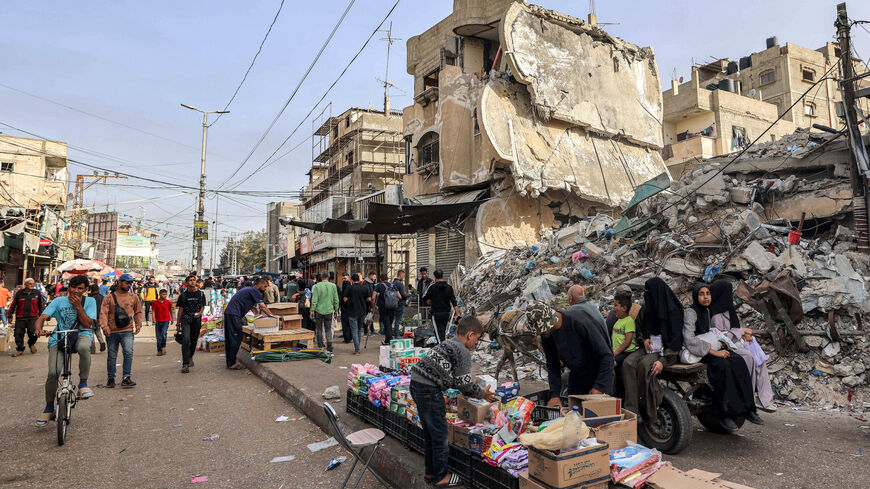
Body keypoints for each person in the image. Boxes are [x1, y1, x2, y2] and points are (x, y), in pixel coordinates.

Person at [410, 317, 497, 488]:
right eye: (477, 338)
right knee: (441, 434)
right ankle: (440, 477)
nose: (476, 342)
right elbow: (464, 385)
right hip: (428, 390)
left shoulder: (449, 343)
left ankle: (430, 472)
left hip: (416, 384)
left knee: (430, 433)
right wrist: (482, 394)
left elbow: (453, 379)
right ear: (470, 335)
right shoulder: (462, 351)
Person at [684, 283, 763, 431]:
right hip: (700, 352)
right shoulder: (691, 312)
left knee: (739, 361)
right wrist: (714, 352)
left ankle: (748, 409)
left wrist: (722, 344)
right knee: (723, 367)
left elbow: (713, 332)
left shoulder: (707, 311)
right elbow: (689, 339)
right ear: (696, 296)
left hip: (713, 347)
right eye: (701, 294)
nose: (706, 297)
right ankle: (725, 414)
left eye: (708, 293)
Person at [33, 275, 97, 426]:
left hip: (81, 334)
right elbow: (42, 317)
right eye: (73, 288)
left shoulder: (90, 301)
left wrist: (79, 307)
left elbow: (88, 323)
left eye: (80, 288)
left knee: (83, 347)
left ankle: (83, 384)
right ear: (68, 288)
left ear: (85, 290)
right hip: (60, 336)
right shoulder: (58, 301)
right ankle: (49, 408)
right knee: (53, 373)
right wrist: (38, 329)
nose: (76, 291)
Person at [707, 280, 776, 412]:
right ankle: (748, 396)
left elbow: (733, 329)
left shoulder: (728, 310)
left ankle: (765, 399)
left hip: (736, 342)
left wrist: (743, 335)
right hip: (727, 347)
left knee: (760, 360)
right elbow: (721, 338)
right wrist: (742, 331)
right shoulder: (716, 315)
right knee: (749, 357)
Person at [527, 302, 614, 407]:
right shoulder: (547, 335)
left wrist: (600, 387)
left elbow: (606, 355)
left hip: (599, 373)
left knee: (599, 415)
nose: (539, 334)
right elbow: (553, 365)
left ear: (550, 321)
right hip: (577, 375)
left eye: (541, 330)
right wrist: (555, 395)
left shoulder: (579, 322)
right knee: (574, 414)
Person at [621, 278, 682, 424]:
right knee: (628, 363)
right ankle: (632, 410)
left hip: (669, 352)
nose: (647, 295)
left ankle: (648, 409)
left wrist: (662, 361)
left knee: (644, 365)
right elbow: (640, 331)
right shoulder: (648, 311)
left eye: (650, 292)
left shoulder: (673, 312)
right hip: (651, 348)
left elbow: (675, 342)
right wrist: (645, 339)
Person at [100, 273, 142, 389]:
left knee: (128, 353)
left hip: (127, 330)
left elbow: (138, 311)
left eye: (130, 283)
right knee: (112, 355)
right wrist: (104, 327)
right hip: (112, 331)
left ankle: (126, 378)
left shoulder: (134, 297)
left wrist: (138, 324)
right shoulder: (108, 298)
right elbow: (103, 313)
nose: (129, 285)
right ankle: (111, 378)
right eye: (126, 282)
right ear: (119, 283)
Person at [224, 277, 274, 370]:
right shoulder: (256, 291)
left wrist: (252, 308)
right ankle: (231, 363)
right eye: (265, 286)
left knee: (230, 339)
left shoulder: (248, 289)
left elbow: (244, 300)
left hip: (230, 314)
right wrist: (273, 317)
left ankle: (230, 361)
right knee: (236, 338)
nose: (266, 288)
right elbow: (263, 307)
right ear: (259, 284)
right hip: (234, 315)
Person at [175, 276, 206, 373]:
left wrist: (200, 313)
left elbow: (202, 306)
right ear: (186, 283)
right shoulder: (183, 295)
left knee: (193, 340)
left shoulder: (201, 294)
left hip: (196, 319)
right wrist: (178, 324)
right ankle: (185, 364)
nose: (192, 282)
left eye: (194, 280)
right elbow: (180, 310)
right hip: (185, 319)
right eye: (190, 280)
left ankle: (190, 356)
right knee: (186, 340)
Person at [8, 278, 45, 356]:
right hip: (20, 317)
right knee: (18, 334)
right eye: (30, 283)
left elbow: (41, 306)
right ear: (25, 284)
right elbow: (13, 305)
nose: (32, 285)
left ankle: (31, 344)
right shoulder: (19, 293)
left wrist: (42, 317)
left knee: (34, 333)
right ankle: (20, 349)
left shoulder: (37, 293)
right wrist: (10, 315)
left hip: (33, 317)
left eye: (33, 283)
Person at [421, 269, 459, 343]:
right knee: (442, 332)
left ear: (435, 277)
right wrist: (457, 313)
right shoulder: (449, 287)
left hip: (436, 314)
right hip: (446, 314)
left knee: (438, 333)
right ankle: (443, 346)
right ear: (443, 276)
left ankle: (442, 348)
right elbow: (454, 302)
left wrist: (430, 286)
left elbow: (424, 297)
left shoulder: (432, 287)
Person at [342, 274, 371, 354]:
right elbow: (369, 299)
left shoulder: (349, 288)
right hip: (362, 311)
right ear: (359, 279)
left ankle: (357, 349)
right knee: (358, 329)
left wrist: (349, 299)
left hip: (352, 311)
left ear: (352, 280)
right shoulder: (364, 287)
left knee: (354, 330)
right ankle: (358, 346)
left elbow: (344, 299)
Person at [311, 271, 339, 352]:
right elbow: (336, 299)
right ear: (328, 277)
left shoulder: (317, 286)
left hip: (318, 311)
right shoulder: (333, 286)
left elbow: (314, 300)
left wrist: (312, 311)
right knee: (328, 328)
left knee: (319, 328)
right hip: (329, 310)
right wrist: (336, 310)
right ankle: (329, 346)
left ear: (322, 276)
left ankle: (320, 346)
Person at [611, 291, 638, 369]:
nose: (613, 308)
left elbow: (627, 342)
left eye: (616, 305)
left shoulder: (629, 321)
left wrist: (615, 353)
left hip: (626, 352)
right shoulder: (618, 321)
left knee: (610, 365)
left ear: (624, 308)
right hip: (618, 351)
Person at [372, 274, 398, 345]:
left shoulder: (379, 286)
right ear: (387, 278)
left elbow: (373, 297)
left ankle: (389, 340)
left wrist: (373, 305)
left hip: (383, 308)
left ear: (381, 279)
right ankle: (387, 340)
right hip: (392, 307)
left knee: (387, 324)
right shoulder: (393, 286)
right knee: (389, 323)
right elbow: (399, 296)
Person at [152, 289, 173, 356]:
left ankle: (163, 346)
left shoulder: (168, 302)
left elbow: (171, 311)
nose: (165, 296)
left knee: (164, 334)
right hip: (158, 321)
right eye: (163, 294)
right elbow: (153, 311)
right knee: (158, 337)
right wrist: (153, 319)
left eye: (165, 294)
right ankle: (159, 350)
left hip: (166, 320)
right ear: (159, 294)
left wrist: (172, 319)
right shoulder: (155, 302)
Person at [87, 284, 107, 354]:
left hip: (91, 317)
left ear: (91, 290)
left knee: (91, 332)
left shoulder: (89, 299)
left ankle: (92, 348)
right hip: (99, 317)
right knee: (97, 330)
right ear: (98, 290)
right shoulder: (102, 297)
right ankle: (101, 342)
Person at [392, 270, 411, 339]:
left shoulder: (393, 282)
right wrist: (409, 294)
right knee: (398, 320)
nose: (404, 277)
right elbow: (403, 295)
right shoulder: (400, 283)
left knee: (395, 319)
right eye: (403, 275)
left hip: (394, 303)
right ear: (401, 275)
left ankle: (394, 333)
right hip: (400, 304)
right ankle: (397, 335)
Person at [339, 273, 353, 344]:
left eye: (345, 278)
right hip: (348, 308)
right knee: (348, 323)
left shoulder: (346, 286)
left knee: (346, 323)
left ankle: (347, 337)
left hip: (346, 308)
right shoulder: (349, 286)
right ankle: (349, 337)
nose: (344, 280)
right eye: (343, 279)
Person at [363, 272, 378, 336]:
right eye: (374, 277)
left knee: (371, 317)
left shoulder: (371, 283)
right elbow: (368, 294)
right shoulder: (366, 283)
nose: (375, 278)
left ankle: (372, 330)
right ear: (370, 276)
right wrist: (370, 305)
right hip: (367, 303)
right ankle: (366, 331)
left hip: (370, 302)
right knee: (367, 317)